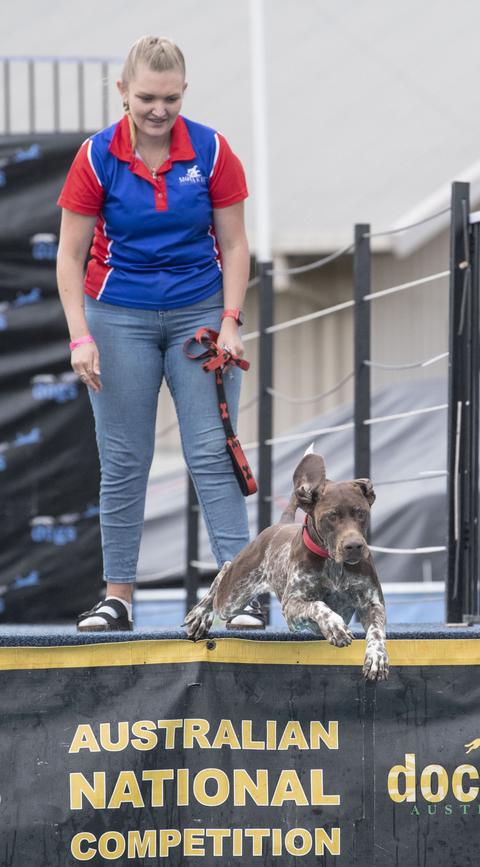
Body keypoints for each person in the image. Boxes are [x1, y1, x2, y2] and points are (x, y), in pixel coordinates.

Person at [56, 35, 262, 631]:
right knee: (124, 458)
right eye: (146, 97)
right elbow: (70, 257)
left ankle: (238, 592)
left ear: (184, 94)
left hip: (199, 312)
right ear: (123, 92)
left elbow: (234, 242)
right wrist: (79, 337)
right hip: (117, 314)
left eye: (170, 99)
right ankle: (117, 597)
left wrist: (230, 322)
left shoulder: (213, 150)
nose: (157, 110)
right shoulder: (96, 157)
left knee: (213, 452)